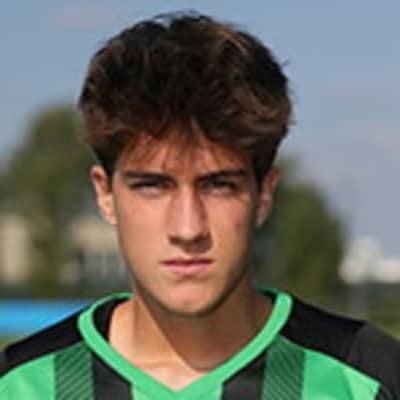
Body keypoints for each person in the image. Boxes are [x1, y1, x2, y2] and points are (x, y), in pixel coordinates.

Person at [1, 11, 399, 400]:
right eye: (152, 186)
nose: (188, 228)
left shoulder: (371, 379)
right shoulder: (18, 385)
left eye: (219, 186)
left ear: (264, 195)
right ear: (105, 195)